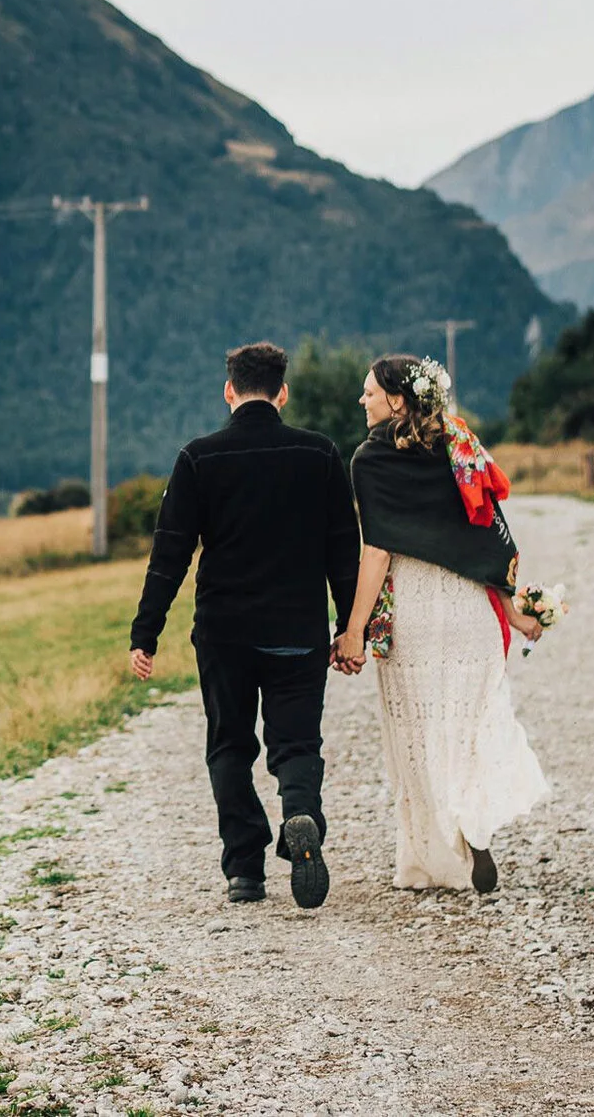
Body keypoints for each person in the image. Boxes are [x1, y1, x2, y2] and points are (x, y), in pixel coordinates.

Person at [129, 341, 361, 907]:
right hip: (298, 631)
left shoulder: (198, 458)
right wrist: (351, 628)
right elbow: (343, 550)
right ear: (282, 392)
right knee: (296, 742)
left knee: (229, 746)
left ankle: (245, 871)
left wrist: (146, 633)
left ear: (228, 390)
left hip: (224, 633)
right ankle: (301, 814)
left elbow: (170, 554)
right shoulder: (320, 454)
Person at [333, 353, 549, 894]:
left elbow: (378, 551)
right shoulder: (459, 446)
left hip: (415, 610)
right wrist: (515, 613)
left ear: (398, 399)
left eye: (370, 393)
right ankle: (475, 826)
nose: (363, 401)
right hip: (469, 608)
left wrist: (355, 628)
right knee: (471, 726)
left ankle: (434, 855)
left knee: (420, 733)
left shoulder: (370, 460)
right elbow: (482, 537)